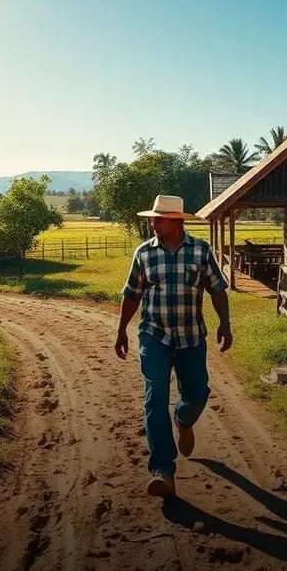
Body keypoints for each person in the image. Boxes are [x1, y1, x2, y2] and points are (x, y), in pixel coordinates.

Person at [114, 194, 232, 498]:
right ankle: (163, 470)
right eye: (152, 218)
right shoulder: (144, 254)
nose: (153, 223)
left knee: (197, 392)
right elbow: (131, 294)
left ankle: (183, 419)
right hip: (154, 337)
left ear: (177, 221)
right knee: (155, 398)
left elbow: (217, 290)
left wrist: (225, 323)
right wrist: (121, 330)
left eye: (159, 219)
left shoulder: (201, 251)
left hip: (191, 337)